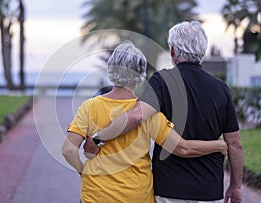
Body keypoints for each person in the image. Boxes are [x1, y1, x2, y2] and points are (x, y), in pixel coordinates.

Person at [84, 22, 243, 203]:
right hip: (209, 190)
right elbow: (235, 144)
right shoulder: (221, 89)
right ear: (203, 50)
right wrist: (236, 186)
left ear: (173, 52)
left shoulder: (162, 81)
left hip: (169, 190)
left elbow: (136, 116)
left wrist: (98, 139)